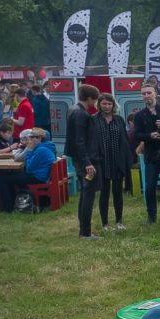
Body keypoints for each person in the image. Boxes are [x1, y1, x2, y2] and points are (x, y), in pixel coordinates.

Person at [132, 90, 160, 223]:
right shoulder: (139, 115)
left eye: (149, 93)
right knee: (150, 186)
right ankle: (151, 217)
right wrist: (149, 136)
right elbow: (137, 135)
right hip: (152, 154)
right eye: (144, 94)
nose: (146, 96)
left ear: (155, 94)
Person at [64, 83, 100, 234]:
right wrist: (87, 163)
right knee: (88, 193)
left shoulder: (73, 109)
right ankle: (85, 231)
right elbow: (80, 141)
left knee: (85, 193)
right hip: (83, 159)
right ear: (90, 98)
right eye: (95, 99)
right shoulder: (82, 114)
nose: (96, 103)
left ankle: (83, 228)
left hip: (77, 158)